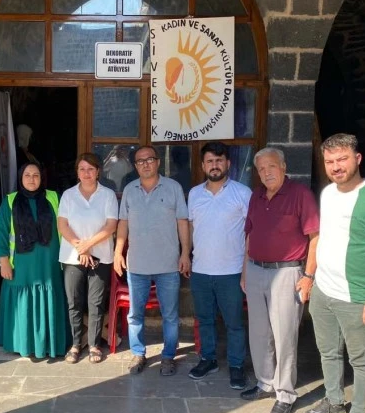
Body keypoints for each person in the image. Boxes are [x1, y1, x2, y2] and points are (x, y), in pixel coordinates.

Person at [305, 133, 365, 413]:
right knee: (328, 350)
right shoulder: (327, 193)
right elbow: (323, 237)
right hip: (324, 288)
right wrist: (310, 277)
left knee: (361, 361)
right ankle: (334, 400)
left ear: (357, 159)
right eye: (330, 161)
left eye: (342, 159)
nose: (336, 167)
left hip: (356, 294)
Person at [240, 147, 319, 413]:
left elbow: (315, 238)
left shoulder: (300, 195)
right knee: (259, 332)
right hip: (256, 270)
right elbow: (249, 235)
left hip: (287, 273)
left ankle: (285, 393)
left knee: (285, 335)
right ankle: (265, 383)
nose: (266, 173)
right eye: (261, 169)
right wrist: (244, 272)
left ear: (283, 167)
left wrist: (308, 277)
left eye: (271, 166)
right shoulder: (257, 196)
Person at [114, 145, 190, 376]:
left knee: (170, 315)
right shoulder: (130, 189)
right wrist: (118, 252)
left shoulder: (173, 187)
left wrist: (185, 253)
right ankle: (138, 353)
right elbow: (123, 223)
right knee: (135, 314)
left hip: (168, 264)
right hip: (137, 264)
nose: (145, 164)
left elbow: (182, 222)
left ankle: (168, 356)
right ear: (135, 166)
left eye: (149, 159)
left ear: (158, 162)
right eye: (140, 161)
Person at [188, 142, 252, 389]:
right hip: (201, 270)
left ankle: (236, 365)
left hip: (231, 271)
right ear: (203, 166)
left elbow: (250, 234)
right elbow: (191, 227)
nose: (214, 165)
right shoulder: (194, 194)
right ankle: (209, 359)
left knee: (234, 323)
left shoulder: (242, 193)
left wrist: (245, 269)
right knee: (205, 319)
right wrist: (186, 255)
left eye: (219, 160)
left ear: (228, 163)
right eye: (210, 161)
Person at [0, 163, 70, 360]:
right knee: (23, 301)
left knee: (49, 297)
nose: (31, 179)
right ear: (20, 178)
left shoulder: (54, 197)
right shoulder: (10, 200)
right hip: (20, 263)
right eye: (27, 175)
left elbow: (66, 224)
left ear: (41, 178)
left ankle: (49, 344)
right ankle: (23, 344)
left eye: (36, 175)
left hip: (49, 262)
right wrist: (3, 261)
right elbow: (1, 232)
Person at [58, 153, 118, 364]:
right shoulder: (68, 195)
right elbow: (62, 225)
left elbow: (111, 226)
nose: (86, 173)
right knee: (74, 301)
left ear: (98, 171)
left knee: (96, 302)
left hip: (101, 256)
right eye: (82, 169)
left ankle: (94, 345)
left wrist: (88, 245)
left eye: (91, 169)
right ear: (77, 172)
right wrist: (80, 248)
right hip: (72, 256)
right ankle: (75, 344)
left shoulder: (108, 195)